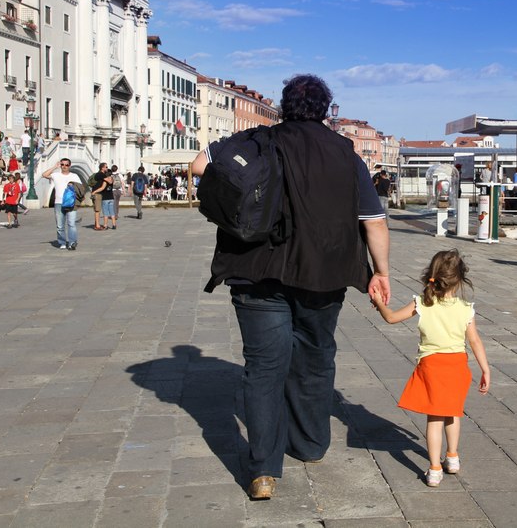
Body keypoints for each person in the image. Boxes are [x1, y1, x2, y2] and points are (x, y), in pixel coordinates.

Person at [190, 74, 391, 502]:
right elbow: (372, 219)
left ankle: (263, 470)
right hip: (324, 272)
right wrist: (381, 271)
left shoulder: (254, 140)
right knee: (315, 356)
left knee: (264, 366)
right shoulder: (345, 154)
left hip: (254, 268)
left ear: (283, 106)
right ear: (324, 109)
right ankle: (310, 444)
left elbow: (197, 167)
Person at [368, 249, 490, 488]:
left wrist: (379, 302)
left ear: (432, 275)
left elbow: (391, 318)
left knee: (434, 418)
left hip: (432, 366)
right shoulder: (466, 308)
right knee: (453, 412)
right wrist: (485, 369)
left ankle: (435, 469)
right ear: (460, 279)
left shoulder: (422, 303)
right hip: (457, 366)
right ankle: (452, 458)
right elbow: (475, 341)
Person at [42, 158, 82, 250]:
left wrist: (73, 186)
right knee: (60, 225)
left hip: (71, 203)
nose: (64, 166)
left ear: (70, 166)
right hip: (59, 203)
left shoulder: (74, 176)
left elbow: (80, 187)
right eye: (62, 164)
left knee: (71, 224)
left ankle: (72, 242)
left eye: (66, 165)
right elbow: (44, 175)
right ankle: (62, 242)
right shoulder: (56, 175)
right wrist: (54, 167)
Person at [88, 162, 109, 230]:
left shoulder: (98, 174)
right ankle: (97, 226)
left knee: (96, 209)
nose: (107, 168)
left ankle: (96, 224)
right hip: (97, 194)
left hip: (95, 193)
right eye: (106, 167)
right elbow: (110, 181)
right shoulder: (101, 174)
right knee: (97, 210)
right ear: (102, 168)